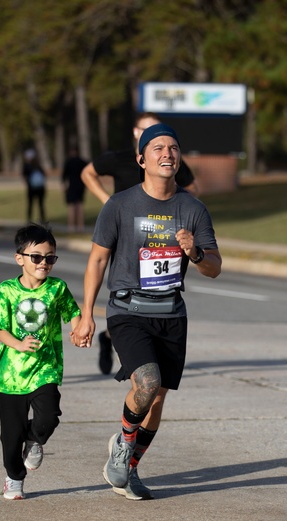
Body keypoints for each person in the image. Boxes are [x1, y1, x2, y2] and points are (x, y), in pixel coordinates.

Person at [75, 123, 221, 500]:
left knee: (157, 400)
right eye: (157, 148)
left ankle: (131, 468)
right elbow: (96, 261)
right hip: (127, 310)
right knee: (147, 383)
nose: (167, 154)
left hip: (171, 313)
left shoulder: (192, 208)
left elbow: (214, 266)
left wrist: (196, 252)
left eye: (173, 147)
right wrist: (87, 313)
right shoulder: (120, 204)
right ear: (141, 159)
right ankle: (123, 446)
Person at [81, 111, 199, 376]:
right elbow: (87, 173)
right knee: (128, 289)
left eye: (170, 145)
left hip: (161, 240)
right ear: (137, 135)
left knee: (156, 390)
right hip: (127, 235)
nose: (166, 151)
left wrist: (182, 209)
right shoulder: (120, 163)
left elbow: (193, 188)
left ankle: (114, 339)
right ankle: (119, 339)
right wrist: (105, 199)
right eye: (153, 138)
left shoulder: (171, 159)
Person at [0, 224, 82, 500]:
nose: (44, 263)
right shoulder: (6, 290)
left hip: (46, 368)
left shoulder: (57, 288)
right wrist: (19, 344)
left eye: (50, 257)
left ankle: (34, 440)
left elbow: (73, 313)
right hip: (10, 375)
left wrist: (79, 331)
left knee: (48, 417)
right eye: (37, 257)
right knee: (10, 435)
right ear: (20, 258)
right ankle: (14, 478)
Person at [61, 145, 87, 232]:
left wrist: (64, 185)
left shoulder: (69, 162)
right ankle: (81, 226)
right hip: (81, 186)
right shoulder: (82, 162)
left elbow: (64, 176)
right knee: (80, 206)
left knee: (71, 207)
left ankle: (71, 226)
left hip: (72, 186)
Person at [23, 148, 46, 223]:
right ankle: (42, 220)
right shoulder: (38, 165)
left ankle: (29, 220)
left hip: (31, 189)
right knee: (40, 205)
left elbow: (24, 177)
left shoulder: (27, 166)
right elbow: (44, 175)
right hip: (40, 189)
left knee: (31, 205)